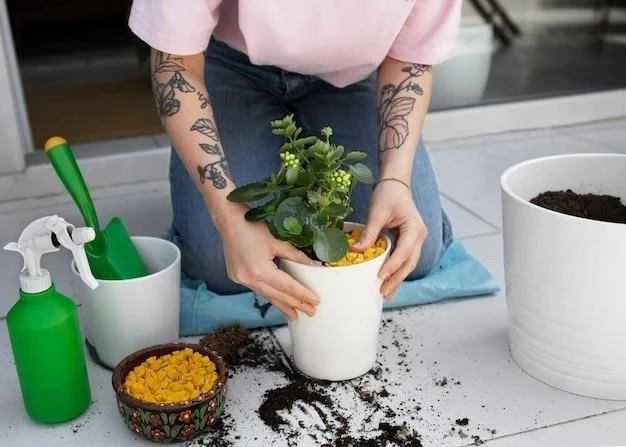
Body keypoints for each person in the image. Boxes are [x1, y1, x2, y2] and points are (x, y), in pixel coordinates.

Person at [129, 0, 460, 321]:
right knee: (220, 263)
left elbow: (410, 61)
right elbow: (176, 64)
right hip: (228, 65)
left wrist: (395, 181)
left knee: (408, 251)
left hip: (353, 75)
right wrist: (227, 216)